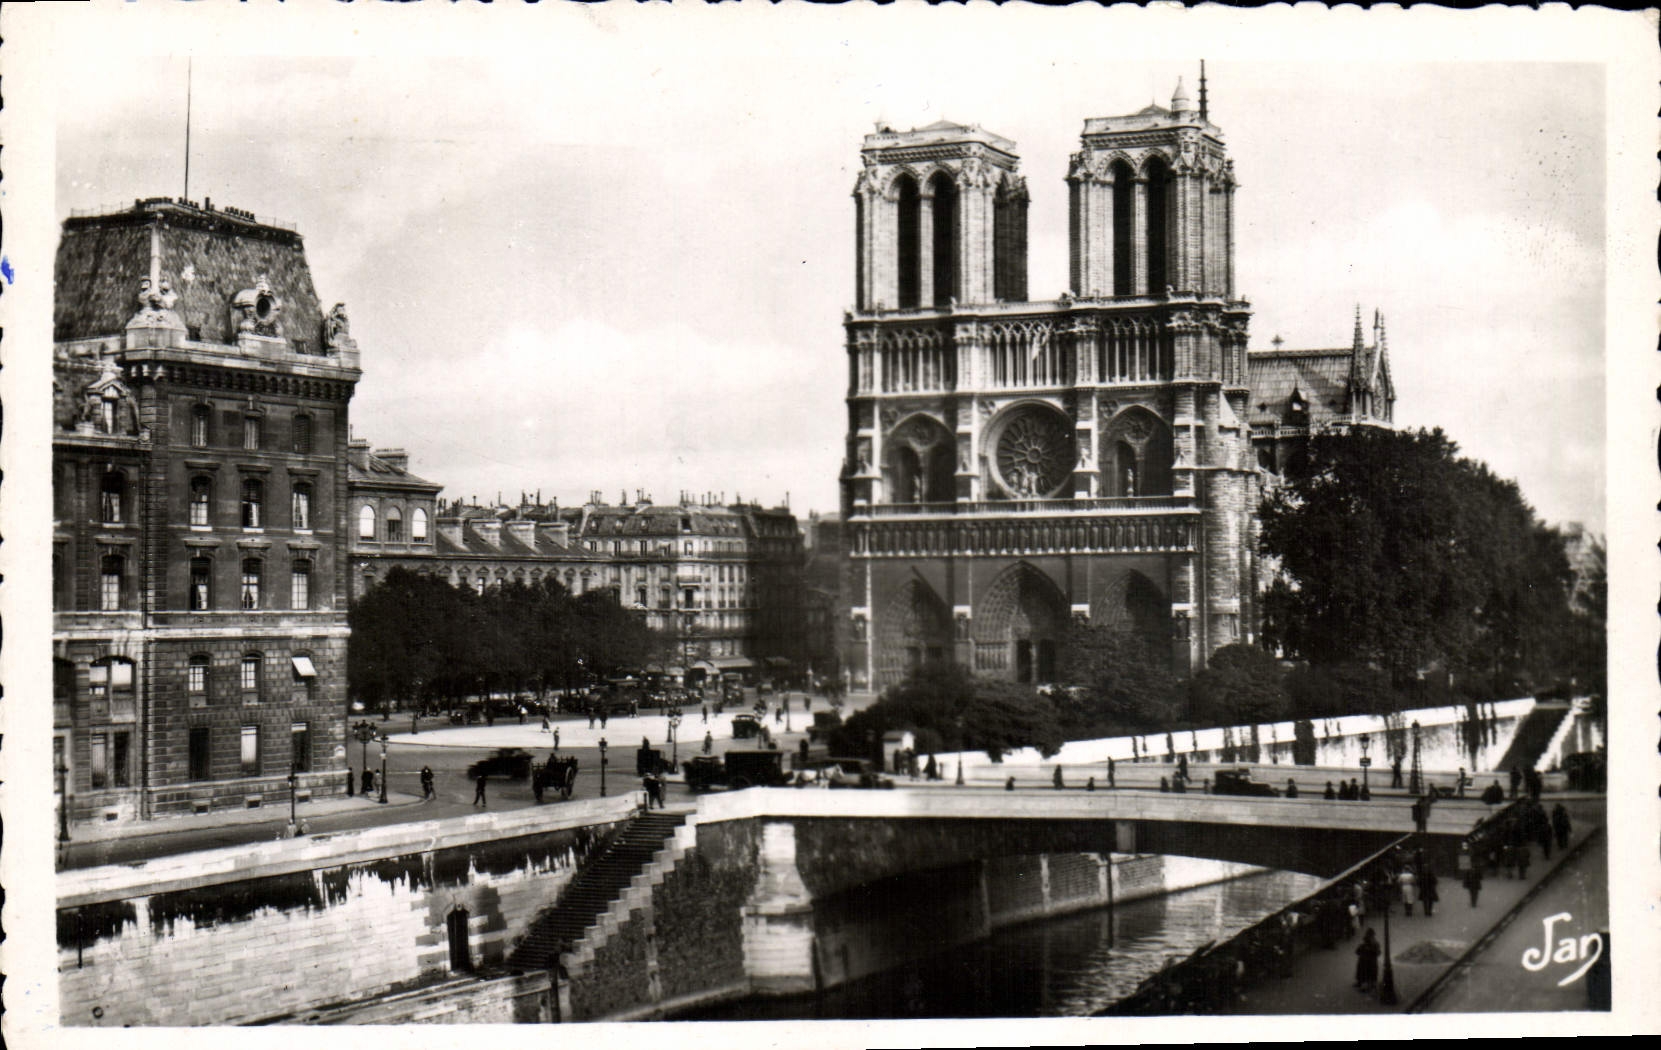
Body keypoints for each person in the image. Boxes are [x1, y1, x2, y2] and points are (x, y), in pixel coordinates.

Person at [1354, 928, 1381, 993]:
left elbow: (1377, 952)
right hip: (1366, 962)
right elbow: (1357, 951)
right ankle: (1365, 984)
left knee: (1366, 973)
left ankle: (1366, 985)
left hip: (1368, 962)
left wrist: (1369, 950)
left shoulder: (1374, 944)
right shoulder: (1366, 943)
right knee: (1365, 973)